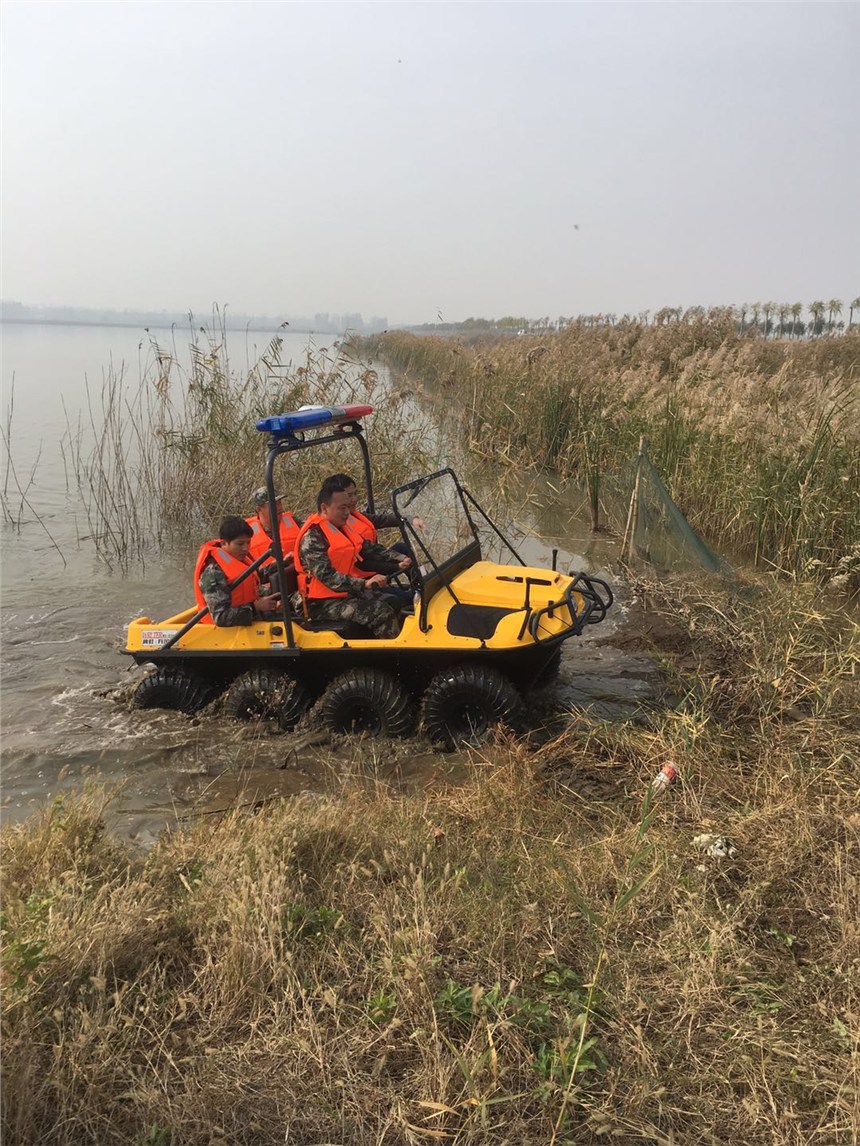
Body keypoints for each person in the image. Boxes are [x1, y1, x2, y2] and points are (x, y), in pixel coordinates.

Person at [293, 478, 411, 639]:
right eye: (342, 508)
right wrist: (365, 584)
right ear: (324, 508)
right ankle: (393, 659)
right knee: (381, 612)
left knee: (394, 601)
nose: (347, 512)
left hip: (344, 594)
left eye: (348, 507)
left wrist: (399, 558)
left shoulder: (341, 527)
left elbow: (368, 548)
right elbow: (328, 577)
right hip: (318, 603)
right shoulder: (312, 538)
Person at [194, 516, 280, 626]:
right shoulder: (213, 573)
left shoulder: (239, 557)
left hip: (250, 620)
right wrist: (256, 607)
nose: (245, 548)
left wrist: (279, 565)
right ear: (224, 543)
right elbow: (221, 617)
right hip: (226, 633)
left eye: (248, 543)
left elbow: (255, 576)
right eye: (240, 544)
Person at [246, 487, 302, 564]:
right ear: (259, 509)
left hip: (295, 572)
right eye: (274, 504)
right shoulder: (246, 533)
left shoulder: (295, 522)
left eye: (279, 503)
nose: (279, 508)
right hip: (265, 575)